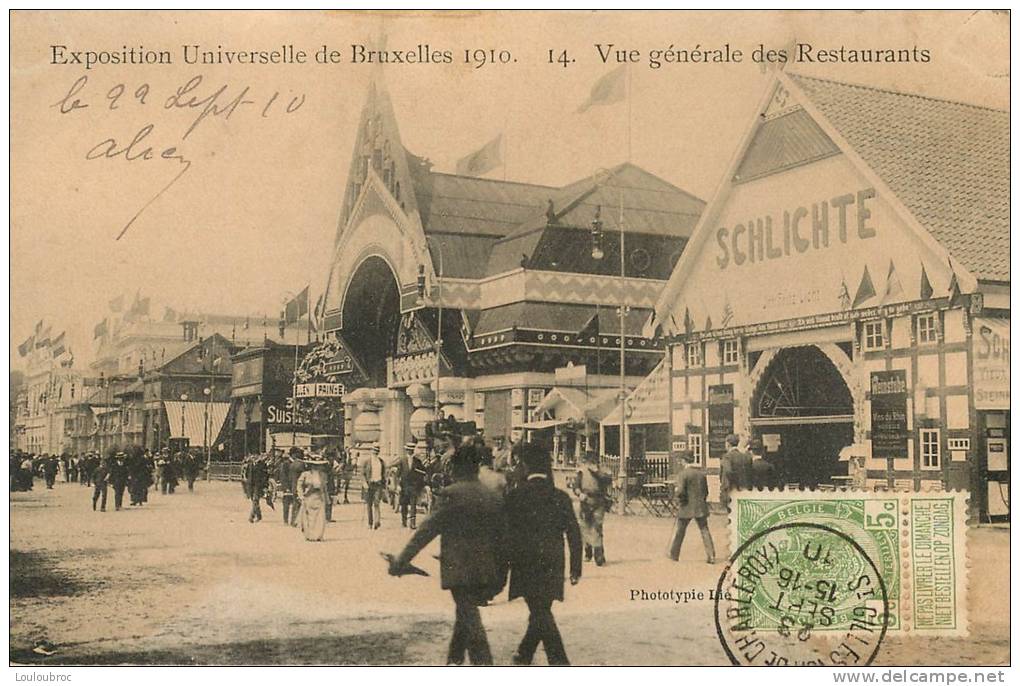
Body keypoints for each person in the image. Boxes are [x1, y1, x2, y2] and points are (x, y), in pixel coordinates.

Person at [388, 445, 506, 666]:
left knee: (469, 615)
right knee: (465, 613)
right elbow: (504, 538)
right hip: (488, 569)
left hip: (459, 569)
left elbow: (426, 531)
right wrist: (501, 574)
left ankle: (485, 664)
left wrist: (401, 561)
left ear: (456, 467)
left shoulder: (452, 494)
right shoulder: (493, 496)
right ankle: (454, 660)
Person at [505, 442, 582, 666]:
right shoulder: (561, 497)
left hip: (524, 564)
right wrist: (575, 568)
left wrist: (502, 568)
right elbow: (574, 535)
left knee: (539, 612)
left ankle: (555, 662)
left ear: (526, 466)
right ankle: (526, 654)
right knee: (542, 610)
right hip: (553, 563)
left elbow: (504, 536)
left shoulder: (515, 497)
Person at [668, 450, 715, 564]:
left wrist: (679, 498)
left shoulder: (683, 474)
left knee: (680, 531)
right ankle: (711, 555)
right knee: (704, 530)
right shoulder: (701, 474)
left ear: (684, 461)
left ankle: (674, 554)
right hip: (700, 507)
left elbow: (680, 492)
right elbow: (706, 491)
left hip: (686, 507)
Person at [573, 451, 612, 566]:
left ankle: (599, 555)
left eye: (593, 461)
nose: (591, 463)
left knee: (597, 526)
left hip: (599, 501)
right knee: (585, 527)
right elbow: (576, 486)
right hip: (585, 501)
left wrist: (597, 472)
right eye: (589, 461)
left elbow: (607, 481)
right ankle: (588, 551)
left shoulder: (603, 471)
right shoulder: (581, 472)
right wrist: (579, 493)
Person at [296, 455, 329, 541]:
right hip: (309, 497)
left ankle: (318, 535)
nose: (316, 467)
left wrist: (327, 498)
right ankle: (309, 535)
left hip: (319, 498)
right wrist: (300, 495)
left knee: (320, 517)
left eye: (318, 465)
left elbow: (325, 488)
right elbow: (299, 485)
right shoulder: (305, 474)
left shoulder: (323, 475)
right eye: (314, 465)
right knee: (309, 518)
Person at [720, 433, 753, 509]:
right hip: (744, 490)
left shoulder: (727, 457)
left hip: (731, 491)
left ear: (728, 444)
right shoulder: (745, 456)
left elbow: (728, 472)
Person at [361, 444, 387, 530]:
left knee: (377, 503)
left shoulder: (381, 462)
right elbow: (362, 474)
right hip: (369, 485)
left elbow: (384, 474)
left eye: (377, 451)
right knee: (369, 504)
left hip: (378, 484)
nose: (375, 452)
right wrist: (364, 483)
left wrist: (384, 485)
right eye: (374, 451)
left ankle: (377, 521)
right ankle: (370, 523)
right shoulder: (366, 462)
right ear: (371, 451)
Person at [279, 447, 305, 527]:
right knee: (286, 504)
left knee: (296, 504)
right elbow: (283, 476)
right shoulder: (286, 463)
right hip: (288, 486)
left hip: (296, 486)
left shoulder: (299, 463)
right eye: (297, 454)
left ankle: (293, 521)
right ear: (293, 454)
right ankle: (285, 520)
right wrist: (285, 487)